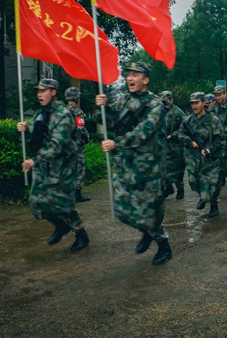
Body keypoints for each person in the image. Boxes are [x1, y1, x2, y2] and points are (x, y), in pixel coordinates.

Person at [95, 62, 171, 265]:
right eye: (128, 74)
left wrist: (117, 143)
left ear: (145, 79)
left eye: (135, 74)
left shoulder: (156, 104)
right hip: (127, 165)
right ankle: (145, 230)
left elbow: (144, 133)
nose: (130, 78)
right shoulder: (123, 100)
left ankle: (162, 243)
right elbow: (109, 121)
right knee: (123, 206)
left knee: (150, 208)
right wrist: (101, 107)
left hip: (149, 166)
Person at [17, 79, 89, 252]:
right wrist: (26, 128)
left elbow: (58, 144)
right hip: (46, 164)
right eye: (38, 91)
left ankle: (81, 234)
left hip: (64, 165)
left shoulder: (63, 113)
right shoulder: (41, 113)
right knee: (36, 201)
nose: (40, 94)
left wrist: (34, 160)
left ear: (53, 92)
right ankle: (61, 226)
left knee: (64, 204)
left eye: (44, 91)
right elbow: (38, 132)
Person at [178, 92, 226, 217]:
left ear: (204, 103)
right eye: (192, 103)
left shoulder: (213, 120)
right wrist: (191, 143)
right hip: (193, 158)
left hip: (210, 159)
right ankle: (203, 197)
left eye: (197, 103)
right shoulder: (188, 120)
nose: (194, 106)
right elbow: (180, 135)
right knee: (193, 181)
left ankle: (213, 205)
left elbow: (221, 139)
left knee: (213, 183)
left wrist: (211, 149)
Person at [64, 86, 92, 203]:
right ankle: (77, 194)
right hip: (77, 145)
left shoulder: (62, 111)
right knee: (79, 168)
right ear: (76, 97)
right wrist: (86, 139)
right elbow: (81, 128)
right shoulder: (77, 112)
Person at [160, 91, 186, 199]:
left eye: (166, 101)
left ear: (171, 100)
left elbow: (185, 127)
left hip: (175, 146)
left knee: (178, 169)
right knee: (163, 168)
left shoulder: (178, 113)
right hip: (163, 145)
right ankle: (168, 187)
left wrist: (174, 135)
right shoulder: (160, 112)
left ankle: (180, 189)